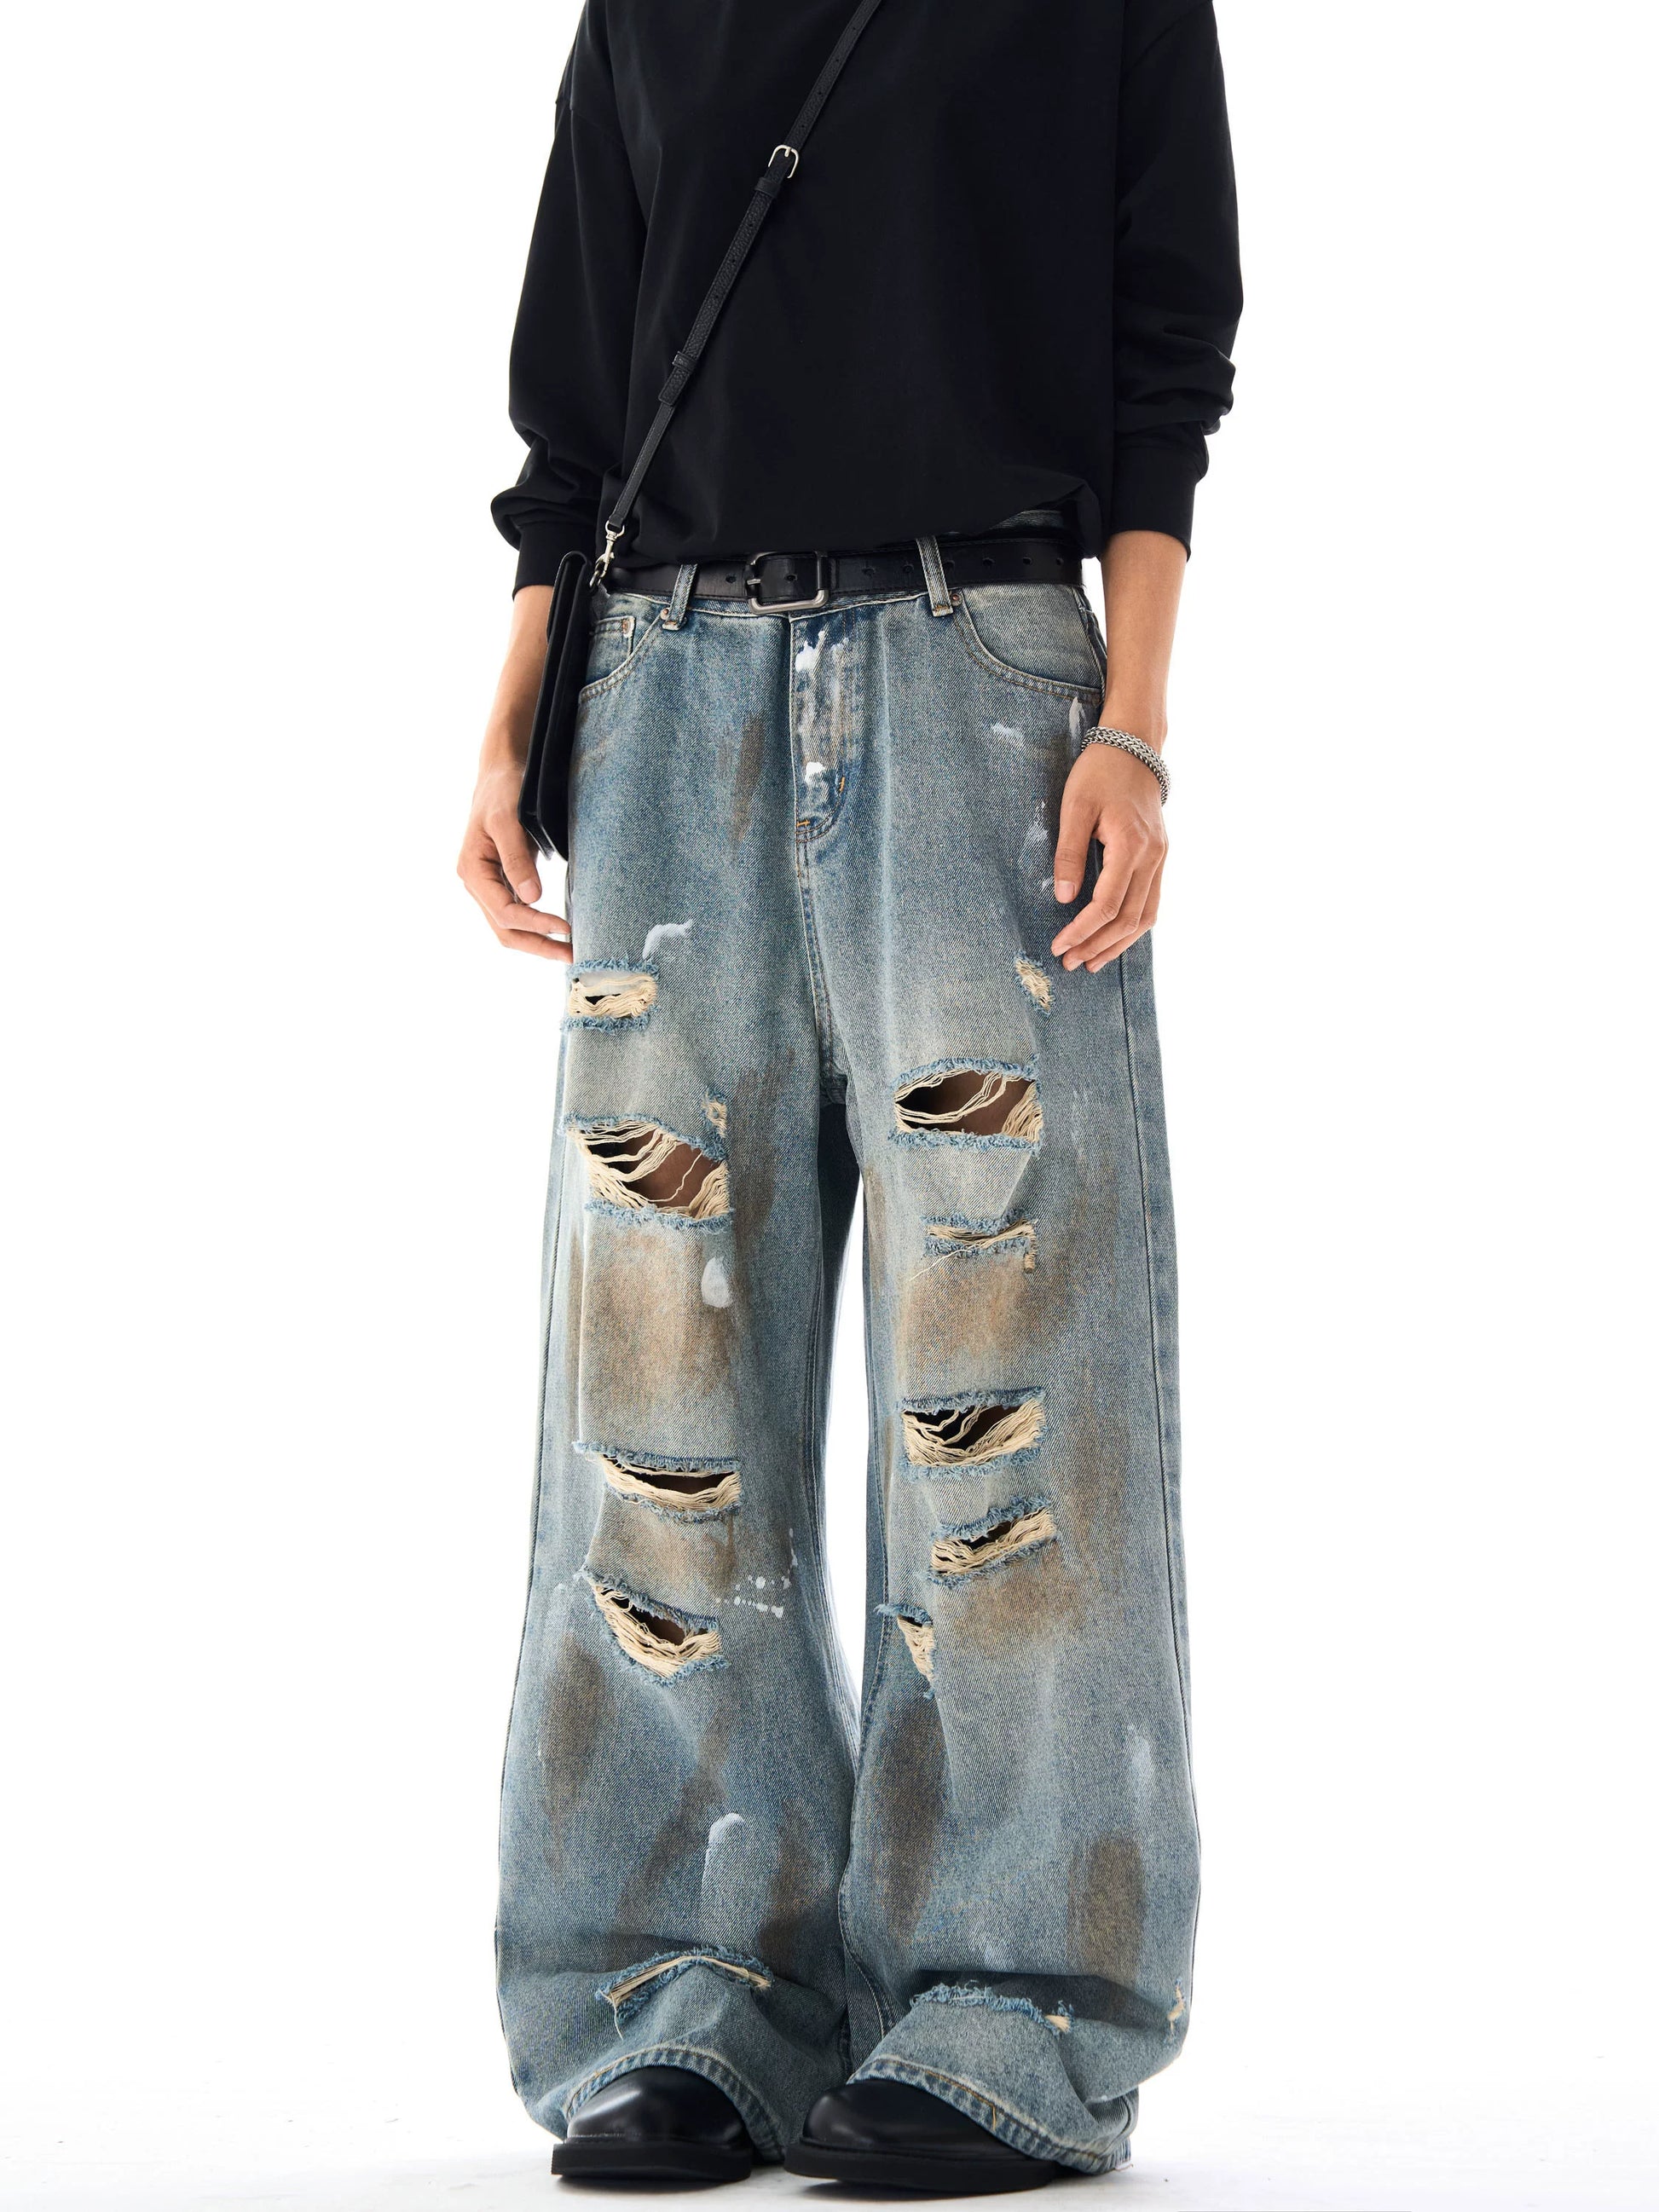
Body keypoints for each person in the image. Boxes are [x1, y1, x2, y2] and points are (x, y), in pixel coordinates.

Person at [459, 0, 1240, 2190]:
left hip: (978, 672)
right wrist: (516, 713)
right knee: (655, 1390)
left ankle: (1019, 1994)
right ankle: (681, 1982)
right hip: (662, 688)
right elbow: (579, 385)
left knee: (1011, 1377)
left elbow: (1163, 357)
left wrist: (1135, 720)